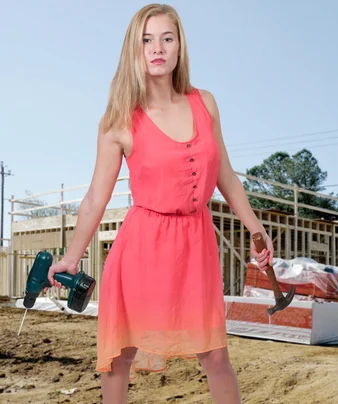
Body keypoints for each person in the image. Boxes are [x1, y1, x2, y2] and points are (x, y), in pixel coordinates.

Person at [46, 3, 274, 403]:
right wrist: (71, 256)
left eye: (167, 38)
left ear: (180, 46)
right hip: (142, 248)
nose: (157, 48)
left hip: (197, 246)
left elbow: (227, 176)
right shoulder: (119, 120)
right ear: (134, 51)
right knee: (121, 355)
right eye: (147, 40)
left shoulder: (205, 102)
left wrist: (256, 228)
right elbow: (96, 198)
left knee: (216, 355)